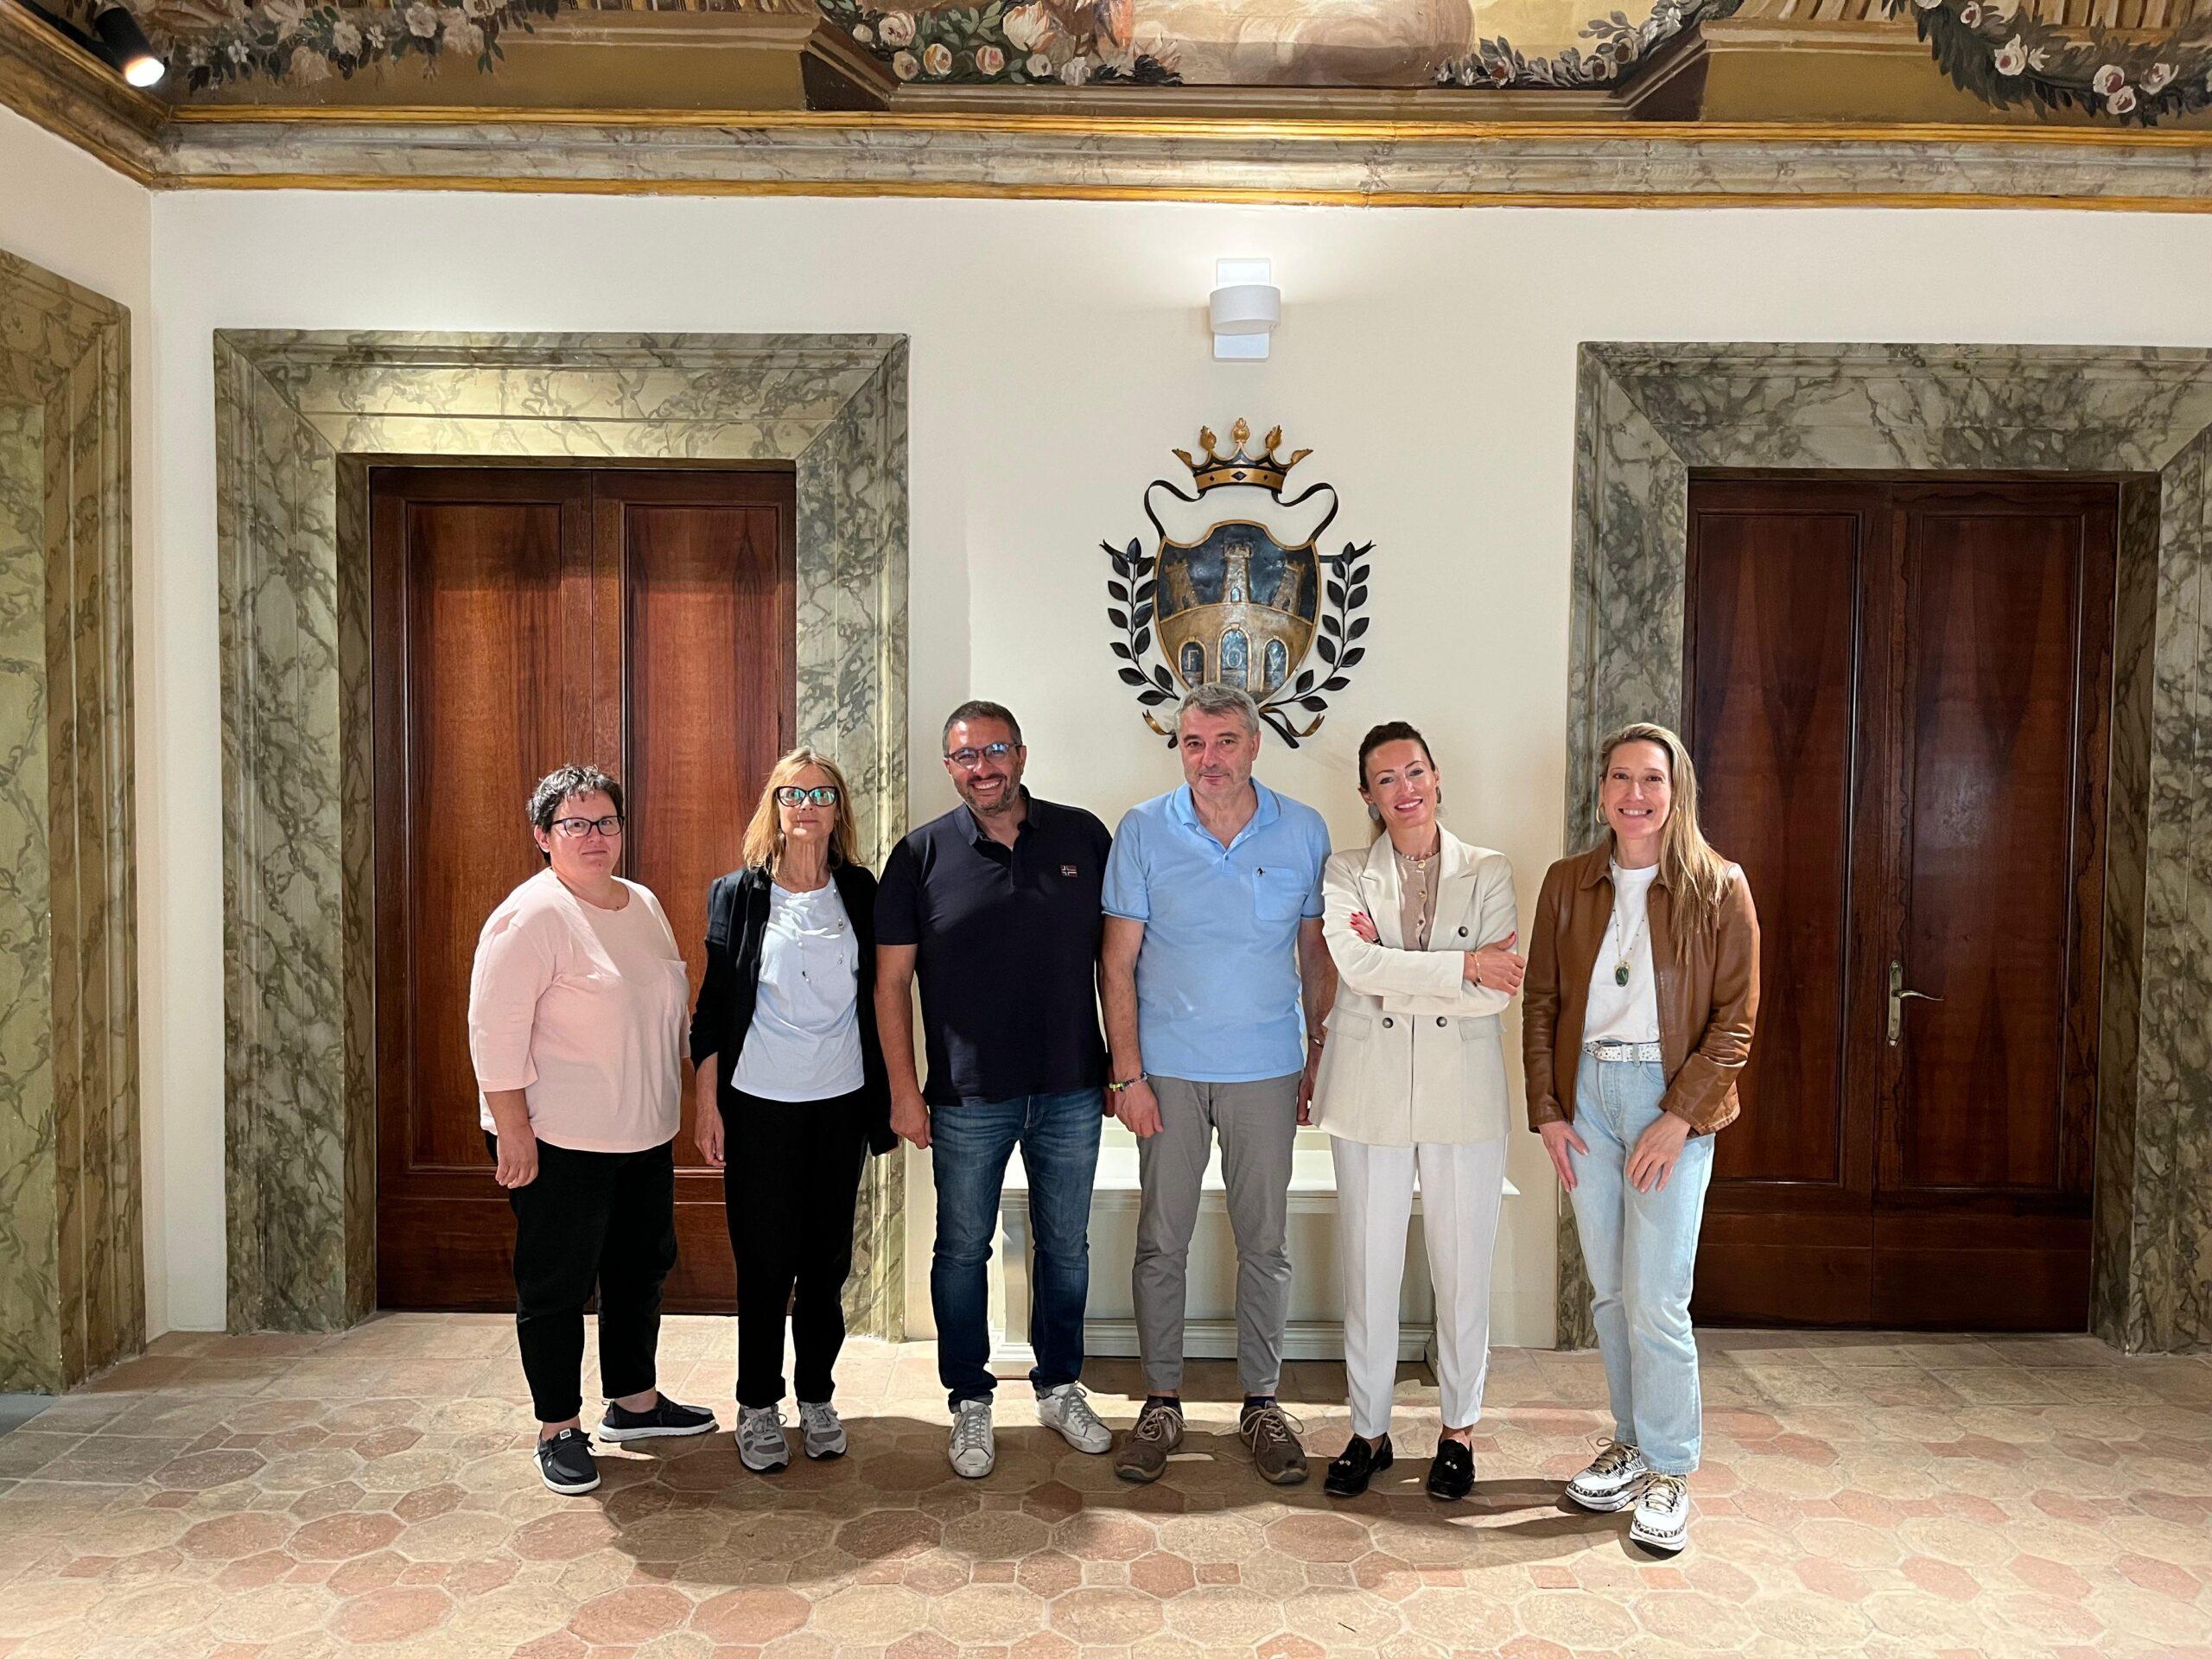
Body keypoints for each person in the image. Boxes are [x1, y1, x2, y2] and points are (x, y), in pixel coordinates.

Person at [1522, 721, 1759, 1554]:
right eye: (1620, 778)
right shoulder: (1567, 883)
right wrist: (1548, 1109)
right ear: (1602, 793)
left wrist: (1679, 1116)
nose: (1635, 794)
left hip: (1670, 1099)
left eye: (1652, 779)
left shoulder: (1719, 887)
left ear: (1676, 791)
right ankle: (1629, 1443)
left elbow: (1735, 1022)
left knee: (1656, 1299)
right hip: (1587, 1097)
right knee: (1611, 1295)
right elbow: (1542, 1001)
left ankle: (1669, 1470)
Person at [1101, 682, 1336, 1487]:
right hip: (1166, 1071)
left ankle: (1261, 1403)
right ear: (1179, 748)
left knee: (1264, 1242)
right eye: (1194, 743)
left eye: (1226, 741)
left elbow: (1315, 954)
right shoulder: (1142, 829)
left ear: (1255, 744)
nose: (1209, 758)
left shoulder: (1303, 829)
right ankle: (1161, 1400)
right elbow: (1116, 963)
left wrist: (1318, 1054)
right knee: (1162, 1240)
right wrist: (1127, 1074)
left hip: (1267, 1068)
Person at [876, 701, 1116, 1478]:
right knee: (961, 1250)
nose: (983, 768)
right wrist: (904, 1091)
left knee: (1066, 1247)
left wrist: (1124, 1067)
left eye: (996, 751)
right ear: (950, 767)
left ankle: (1060, 1385)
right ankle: (969, 1398)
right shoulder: (919, 855)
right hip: (966, 1095)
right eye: (966, 756)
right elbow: (890, 984)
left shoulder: (1083, 837)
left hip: (1072, 1086)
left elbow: (1121, 963)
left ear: (1021, 753)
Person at [467, 764, 718, 1497]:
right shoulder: (531, 916)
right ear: (543, 836)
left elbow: (663, 1008)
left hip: (641, 1132)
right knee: (556, 1285)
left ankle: (634, 1403)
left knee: (640, 1269)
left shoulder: (642, 903)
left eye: (605, 821)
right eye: (574, 823)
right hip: (556, 1139)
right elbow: (493, 1032)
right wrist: (513, 1130)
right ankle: (558, 1427)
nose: (594, 835)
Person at [1310, 721, 1522, 1502]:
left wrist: (1396, 970)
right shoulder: (1345, 870)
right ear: (1367, 795)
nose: (1405, 789)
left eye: (1415, 772)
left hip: (1463, 1093)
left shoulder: (1489, 870)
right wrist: (1464, 964)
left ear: (1436, 777)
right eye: (1386, 779)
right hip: (1368, 1091)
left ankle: (1458, 1431)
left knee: (1463, 1270)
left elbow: (1499, 991)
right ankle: (1368, 1431)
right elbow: (1354, 966)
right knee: (1369, 1269)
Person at [690, 750, 896, 1474]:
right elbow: (712, 1009)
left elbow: (884, 995)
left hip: (840, 1104)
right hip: (759, 1106)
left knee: (826, 1264)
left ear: (839, 810)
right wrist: (707, 1104)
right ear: (773, 808)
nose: (806, 806)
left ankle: (816, 1396)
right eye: (792, 794)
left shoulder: (861, 892)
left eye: (821, 794)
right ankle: (756, 1404)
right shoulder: (737, 895)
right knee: (765, 1264)